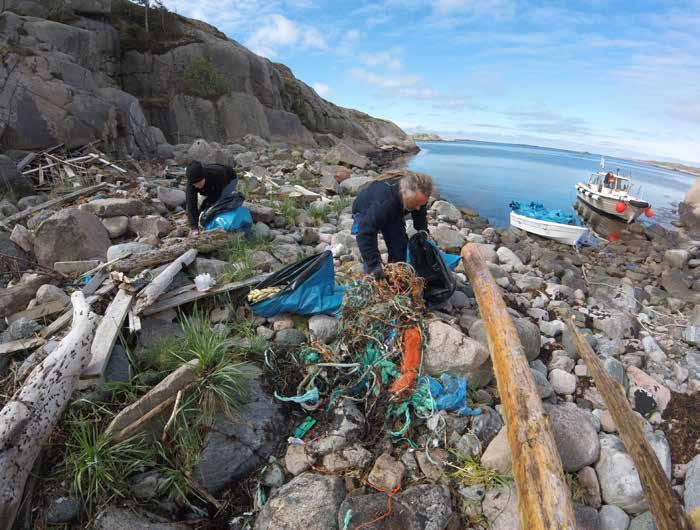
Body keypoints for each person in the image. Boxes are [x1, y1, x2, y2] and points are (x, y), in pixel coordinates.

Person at [352, 170, 434, 279]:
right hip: (364, 209)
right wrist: (374, 265)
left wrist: (422, 229)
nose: (418, 208)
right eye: (415, 203)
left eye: (421, 204)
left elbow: (420, 210)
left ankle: (396, 276)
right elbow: (365, 234)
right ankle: (372, 276)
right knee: (373, 263)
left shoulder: (417, 193)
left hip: (394, 208)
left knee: (399, 246)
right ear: (404, 193)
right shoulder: (384, 204)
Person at [185, 160, 237, 235]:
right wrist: (194, 228)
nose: (196, 186)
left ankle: (223, 224)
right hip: (210, 186)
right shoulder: (191, 184)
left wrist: (207, 204)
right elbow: (191, 204)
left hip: (229, 180)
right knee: (203, 206)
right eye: (194, 184)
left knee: (219, 203)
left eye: (198, 183)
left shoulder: (217, 173)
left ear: (203, 177)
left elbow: (216, 195)